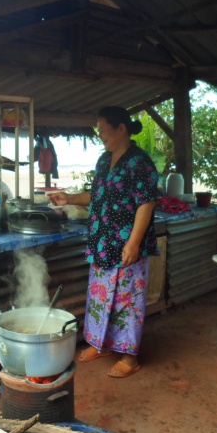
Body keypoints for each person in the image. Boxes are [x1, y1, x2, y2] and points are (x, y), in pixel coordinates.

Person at [49, 106, 159, 378]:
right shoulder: (103, 161)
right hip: (102, 242)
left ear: (121, 129)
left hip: (126, 243)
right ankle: (101, 345)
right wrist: (69, 198)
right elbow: (97, 195)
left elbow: (146, 203)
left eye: (103, 130)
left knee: (127, 299)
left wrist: (133, 243)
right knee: (99, 297)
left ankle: (130, 357)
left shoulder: (140, 163)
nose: (100, 136)